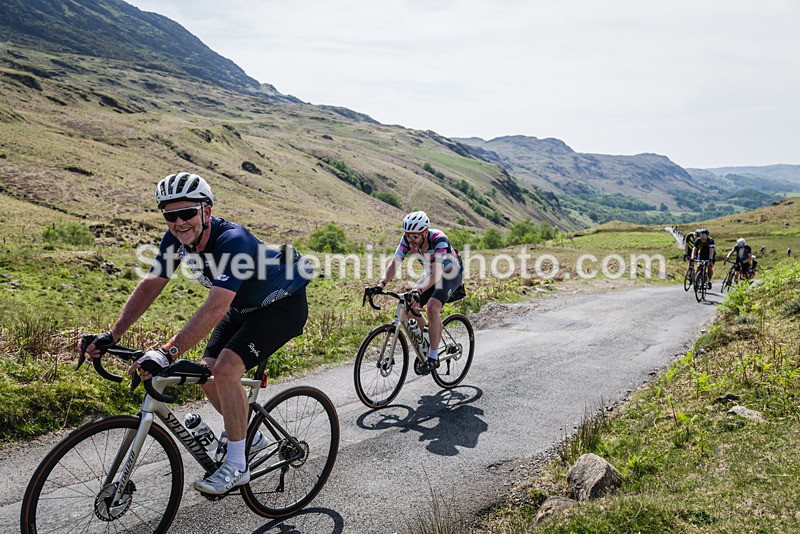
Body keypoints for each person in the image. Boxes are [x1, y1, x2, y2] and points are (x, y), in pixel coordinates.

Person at [79, 172, 312, 495]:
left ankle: (237, 465)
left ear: (206, 211)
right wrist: (113, 335)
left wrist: (166, 352)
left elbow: (215, 307)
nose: (179, 222)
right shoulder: (175, 240)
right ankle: (251, 438)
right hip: (242, 306)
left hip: (281, 305)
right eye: (170, 215)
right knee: (205, 372)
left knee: (226, 369)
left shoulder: (233, 241)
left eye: (187, 212)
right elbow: (151, 284)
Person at [373, 211, 462, 374]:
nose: (411, 239)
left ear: (425, 233)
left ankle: (433, 357)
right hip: (431, 274)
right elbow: (395, 262)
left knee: (432, 307)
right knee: (408, 308)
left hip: (449, 274)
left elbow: (438, 272)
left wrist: (419, 290)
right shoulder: (408, 239)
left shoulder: (439, 239)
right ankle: (429, 335)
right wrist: (381, 284)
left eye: (414, 236)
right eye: (408, 235)